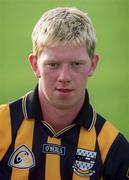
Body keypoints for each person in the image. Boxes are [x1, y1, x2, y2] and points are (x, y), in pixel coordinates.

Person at [0, 7, 129, 180]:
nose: (64, 77)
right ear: (35, 65)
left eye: (76, 64)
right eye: (53, 64)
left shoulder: (113, 147)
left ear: (93, 64)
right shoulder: (2, 126)